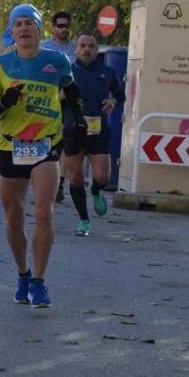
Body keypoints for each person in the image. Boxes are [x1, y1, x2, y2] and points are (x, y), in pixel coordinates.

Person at [0, 4, 87, 309]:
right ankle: (23, 273)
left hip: (45, 144)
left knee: (43, 214)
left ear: (39, 30)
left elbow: (72, 91)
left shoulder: (57, 61)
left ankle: (39, 282)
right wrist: (3, 104)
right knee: (14, 220)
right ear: (12, 33)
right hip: (11, 145)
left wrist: (78, 118)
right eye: (18, 24)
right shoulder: (0, 66)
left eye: (29, 23)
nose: (24, 29)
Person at [64, 34, 125, 236]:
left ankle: (97, 191)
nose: (87, 50)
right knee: (76, 177)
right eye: (82, 46)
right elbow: (52, 97)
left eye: (91, 46)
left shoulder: (107, 72)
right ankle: (84, 220)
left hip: (98, 130)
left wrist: (113, 102)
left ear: (96, 50)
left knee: (102, 176)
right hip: (73, 129)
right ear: (76, 49)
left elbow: (120, 95)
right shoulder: (67, 73)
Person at [42, 11, 75, 202]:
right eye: (60, 26)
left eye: (66, 26)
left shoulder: (75, 48)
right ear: (53, 27)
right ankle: (44, 179)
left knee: (66, 141)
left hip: (68, 100)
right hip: (48, 98)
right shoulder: (44, 48)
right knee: (47, 140)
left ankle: (60, 184)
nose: (64, 29)